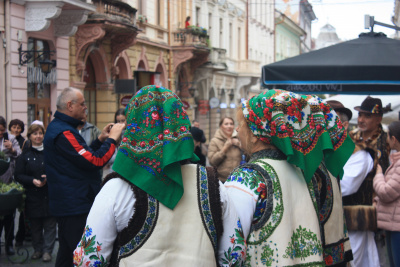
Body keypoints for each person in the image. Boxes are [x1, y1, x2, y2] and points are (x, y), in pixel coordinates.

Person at [73, 85, 244, 266]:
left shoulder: (115, 190)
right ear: (181, 125)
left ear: (133, 127)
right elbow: (235, 255)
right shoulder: (213, 184)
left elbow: (87, 261)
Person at [224, 90, 354, 266]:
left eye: (241, 124)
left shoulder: (247, 176)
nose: (237, 130)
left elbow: (230, 250)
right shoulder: (300, 170)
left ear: (255, 134)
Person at [43, 87, 125, 267]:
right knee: (83, 257)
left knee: (66, 256)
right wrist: (113, 139)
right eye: (82, 104)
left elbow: (82, 156)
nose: (86, 107)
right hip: (75, 206)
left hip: (70, 204)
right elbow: (95, 161)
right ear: (70, 105)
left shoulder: (63, 128)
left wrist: (101, 140)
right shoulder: (64, 132)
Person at [327, 100, 379, 267]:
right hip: (332, 223)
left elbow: (346, 186)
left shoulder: (359, 154)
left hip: (353, 222)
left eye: (328, 122)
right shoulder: (323, 152)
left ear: (344, 125)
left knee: (353, 262)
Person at [349, 96, 392, 266]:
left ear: (379, 118)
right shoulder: (350, 137)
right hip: (351, 207)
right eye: (360, 115)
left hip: (376, 206)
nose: (360, 120)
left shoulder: (388, 141)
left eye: (367, 116)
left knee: (370, 253)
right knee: (359, 255)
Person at [15, 122, 56, 262]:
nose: (38, 136)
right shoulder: (24, 156)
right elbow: (18, 175)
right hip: (32, 196)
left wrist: (48, 178)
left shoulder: (51, 153)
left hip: (49, 194)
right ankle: (38, 249)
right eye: (35, 134)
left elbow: (58, 170)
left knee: (50, 225)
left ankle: (47, 251)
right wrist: (32, 180)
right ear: (30, 136)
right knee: (36, 226)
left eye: (40, 133)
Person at [373, 121, 400, 267]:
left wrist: (378, 175)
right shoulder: (396, 162)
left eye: (388, 136)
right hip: (393, 224)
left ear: (394, 139)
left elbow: (386, 192)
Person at [0, 116, 22, 255]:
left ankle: (9, 244)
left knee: (8, 216)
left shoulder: (11, 139)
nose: (0, 133)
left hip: (7, 181)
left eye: (2, 130)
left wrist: (12, 149)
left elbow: (20, 154)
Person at [208, 117, 241, 182]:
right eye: (226, 124)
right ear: (221, 126)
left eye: (231, 124)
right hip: (222, 180)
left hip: (238, 179)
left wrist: (240, 145)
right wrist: (224, 148)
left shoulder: (239, 139)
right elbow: (212, 162)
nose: (229, 126)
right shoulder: (215, 141)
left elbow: (248, 157)